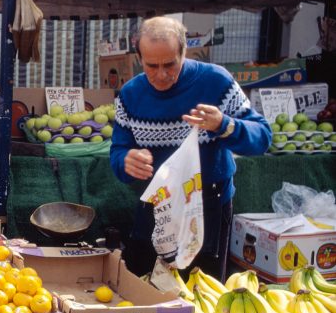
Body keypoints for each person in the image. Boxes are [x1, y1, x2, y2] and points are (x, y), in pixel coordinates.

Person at [109, 17, 271, 279]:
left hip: (207, 207)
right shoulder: (129, 95)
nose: (161, 74)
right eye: (152, 66)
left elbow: (262, 137)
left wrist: (223, 124)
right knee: (148, 289)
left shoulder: (216, 82)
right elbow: (118, 152)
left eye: (170, 64)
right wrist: (126, 161)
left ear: (184, 53)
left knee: (201, 289)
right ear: (140, 58)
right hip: (155, 208)